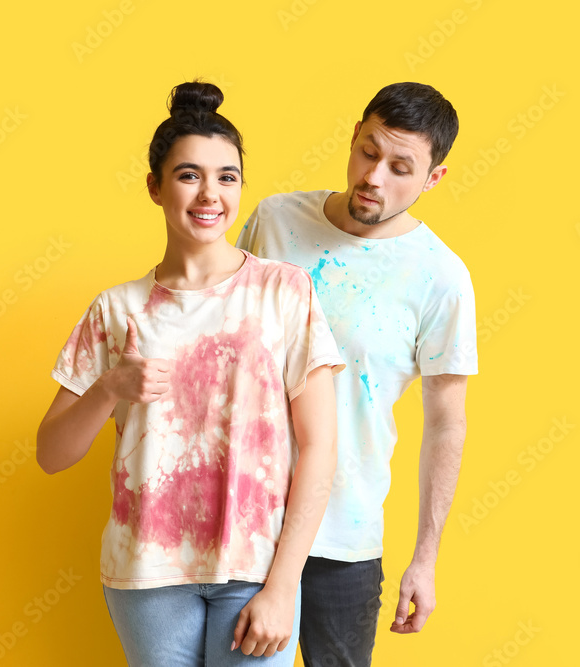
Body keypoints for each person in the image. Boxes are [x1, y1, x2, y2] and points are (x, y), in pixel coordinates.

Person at [36, 81, 344, 666]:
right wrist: (109, 388)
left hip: (255, 568)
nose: (210, 194)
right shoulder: (116, 309)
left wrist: (283, 586)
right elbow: (51, 452)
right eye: (189, 175)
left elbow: (321, 446)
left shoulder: (284, 291)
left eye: (227, 177)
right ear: (155, 186)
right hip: (147, 572)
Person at [236, 81, 477, 666]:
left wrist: (425, 557)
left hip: (345, 535)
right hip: (242, 515)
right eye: (369, 152)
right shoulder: (274, 222)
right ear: (352, 138)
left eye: (401, 167)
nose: (374, 177)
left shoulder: (440, 277)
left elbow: (446, 424)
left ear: (432, 179)